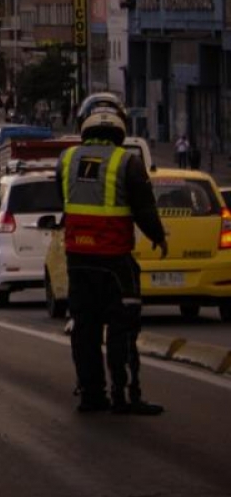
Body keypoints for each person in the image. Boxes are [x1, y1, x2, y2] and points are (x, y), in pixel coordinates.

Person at [58, 100, 167, 415]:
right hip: (115, 260)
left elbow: (63, 199)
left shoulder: (67, 160)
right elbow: (144, 209)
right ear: (119, 130)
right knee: (124, 328)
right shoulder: (127, 162)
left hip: (77, 258)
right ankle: (125, 394)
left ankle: (91, 395)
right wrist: (158, 237)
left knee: (85, 328)